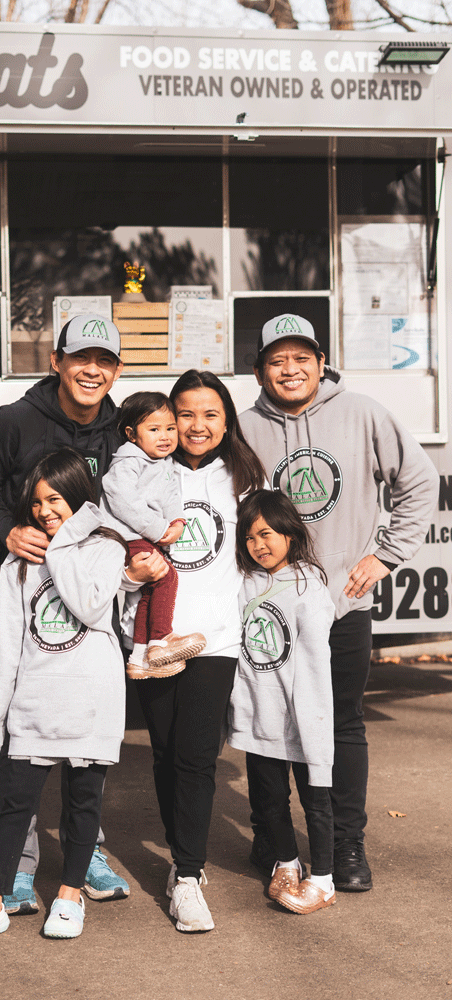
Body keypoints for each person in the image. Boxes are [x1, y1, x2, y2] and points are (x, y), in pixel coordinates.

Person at [239, 313, 439, 892]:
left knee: (342, 726)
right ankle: (271, 837)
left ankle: (348, 844)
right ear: (259, 370)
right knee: (264, 724)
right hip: (268, 612)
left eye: (302, 357)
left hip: (341, 607)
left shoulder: (364, 413)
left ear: (321, 363)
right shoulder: (244, 427)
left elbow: (419, 482)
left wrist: (387, 554)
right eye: (278, 360)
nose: (291, 369)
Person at [0, 314, 144, 912]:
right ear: (57, 362)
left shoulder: (121, 430)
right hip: (28, 589)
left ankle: (83, 850)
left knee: (84, 727)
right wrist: (8, 530)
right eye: (81, 358)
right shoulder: (16, 420)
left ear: (116, 370)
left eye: (106, 361)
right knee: (27, 722)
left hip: (94, 593)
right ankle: (19, 860)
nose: (93, 370)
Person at [0, 450, 147, 945]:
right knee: (14, 806)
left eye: (54, 499)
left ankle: (70, 895)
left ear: (79, 497)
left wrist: (62, 547)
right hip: (33, 704)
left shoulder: (106, 549)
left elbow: (89, 604)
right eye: (35, 503)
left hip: (90, 702)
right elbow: (4, 648)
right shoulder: (19, 562)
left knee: (83, 805)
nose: (44, 511)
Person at [134, 369, 265, 933]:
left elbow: (264, 552)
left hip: (215, 638)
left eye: (210, 414)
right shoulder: (145, 472)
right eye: (186, 412)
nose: (197, 424)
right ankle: (180, 853)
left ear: (227, 421)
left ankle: (188, 874)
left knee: (194, 754)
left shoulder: (242, 478)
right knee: (164, 752)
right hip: (158, 637)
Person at [229, 489, 336, 915]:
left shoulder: (309, 587)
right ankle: (287, 864)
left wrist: (311, 717)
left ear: (290, 534)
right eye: (250, 537)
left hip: (303, 713)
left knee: (316, 799)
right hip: (262, 715)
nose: (259, 545)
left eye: (267, 533)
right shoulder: (245, 583)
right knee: (268, 798)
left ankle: (324, 880)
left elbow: (313, 662)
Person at [101, 391, 206, 680]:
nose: (165, 436)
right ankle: (160, 640)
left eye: (170, 428)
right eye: (154, 429)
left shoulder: (165, 463)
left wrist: (177, 521)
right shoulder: (128, 460)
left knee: (150, 588)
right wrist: (158, 529)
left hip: (143, 535)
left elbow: (172, 495)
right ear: (131, 435)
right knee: (167, 577)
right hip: (124, 535)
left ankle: (139, 658)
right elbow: (120, 498)